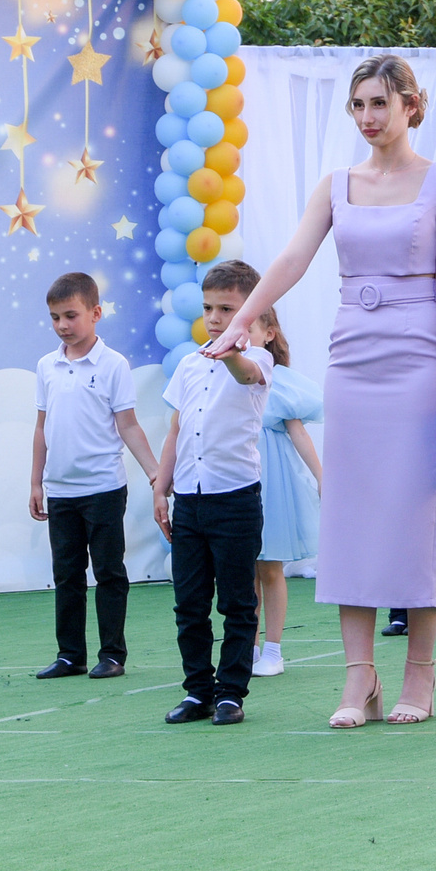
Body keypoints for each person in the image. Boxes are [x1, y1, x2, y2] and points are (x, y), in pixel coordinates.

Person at [203, 52, 436, 730]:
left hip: (420, 357)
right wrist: (243, 320)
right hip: (352, 356)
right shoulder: (335, 184)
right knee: (351, 515)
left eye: (380, 104)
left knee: (416, 515)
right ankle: (358, 678)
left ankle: (420, 672)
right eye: (358, 105)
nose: (367, 118)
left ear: (411, 104)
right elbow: (294, 257)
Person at [154, 260, 270, 726]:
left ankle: (231, 692)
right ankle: (197, 690)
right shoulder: (187, 364)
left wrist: (230, 351)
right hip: (190, 501)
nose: (216, 317)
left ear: (252, 311)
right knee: (190, 602)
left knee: (238, 601)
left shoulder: (256, 359)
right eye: (209, 308)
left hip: (235, 498)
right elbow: (175, 430)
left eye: (228, 308)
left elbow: (246, 377)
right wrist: (161, 489)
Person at [29, 272, 159, 681]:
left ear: (96, 313)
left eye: (71, 315)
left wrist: (156, 473)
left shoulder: (113, 364)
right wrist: (36, 482)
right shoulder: (47, 366)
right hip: (60, 491)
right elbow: (40, 427)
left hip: (103, 488)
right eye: (55, 318)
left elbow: (129, 425)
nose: (63, 325)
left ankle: (112, 654)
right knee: (66, 575)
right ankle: (70, 655)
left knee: (108, 572)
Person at [249, 302, 321, 679]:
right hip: (234, 481)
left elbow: (299, 433)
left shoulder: (279, 381)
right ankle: (247, 646)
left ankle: (273, 650)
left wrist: (323, 479)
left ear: (268, 334)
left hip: (272, 484)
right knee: (242, 573)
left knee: (270, 568)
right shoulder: (218, 376)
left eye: (249, 327)